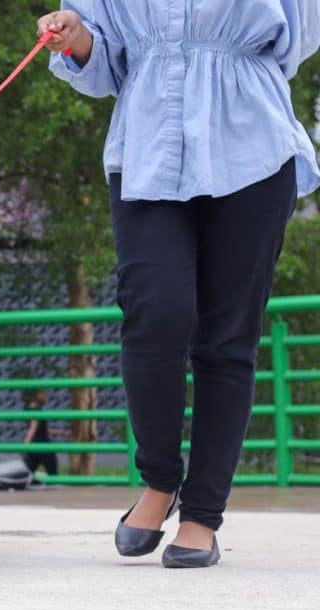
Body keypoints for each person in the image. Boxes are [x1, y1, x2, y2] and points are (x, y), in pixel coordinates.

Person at [37, 3, 320, 568]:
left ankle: (201, 516)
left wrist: (216, 57)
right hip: (147, 145)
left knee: (227, 338)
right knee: (154, 312)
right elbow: (103, 63)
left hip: (252, 144)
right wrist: (78, 39)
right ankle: (160, 480)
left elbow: (296, 40)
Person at [22, 390, 67, 476]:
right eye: (43, 394)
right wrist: (25, 444)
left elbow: (40, 428)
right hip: (42, 444)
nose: (45, 397)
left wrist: (59, 432)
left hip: (35, 444)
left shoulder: (30, 409)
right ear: (36, 395)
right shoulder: (35, 410)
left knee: (30, 470)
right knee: (52, 468)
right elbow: (32, 428)